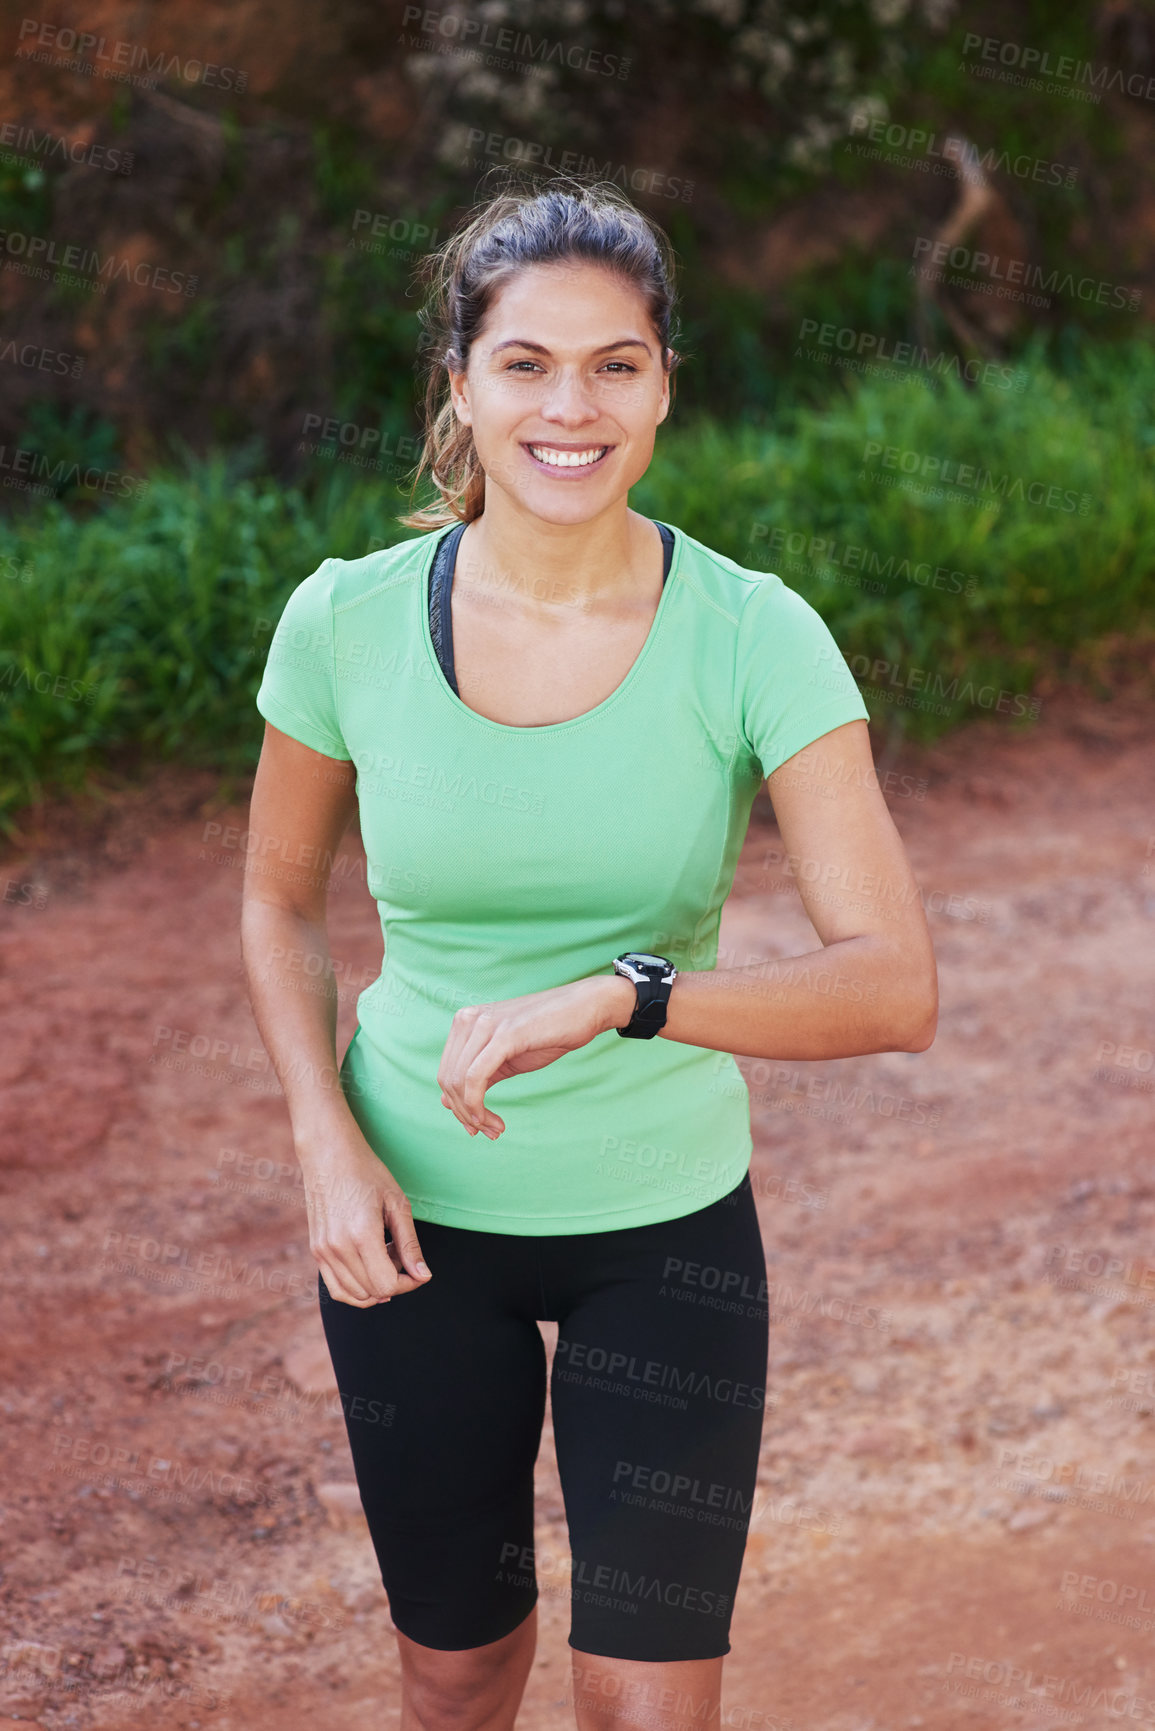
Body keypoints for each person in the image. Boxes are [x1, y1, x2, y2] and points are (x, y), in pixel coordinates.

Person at [241, 177, 937, 1731]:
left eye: (616, 364)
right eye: (529, 363)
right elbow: (277, 901)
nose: (573, 406)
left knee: (647, 1710)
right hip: (413, 1230)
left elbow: (895, 983)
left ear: (667, 383)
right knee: (459, 1673)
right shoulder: (345, 623)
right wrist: (323, 1135)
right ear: (461, 384)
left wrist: (631, 999)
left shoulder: (757, 634)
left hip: (665, 1233)